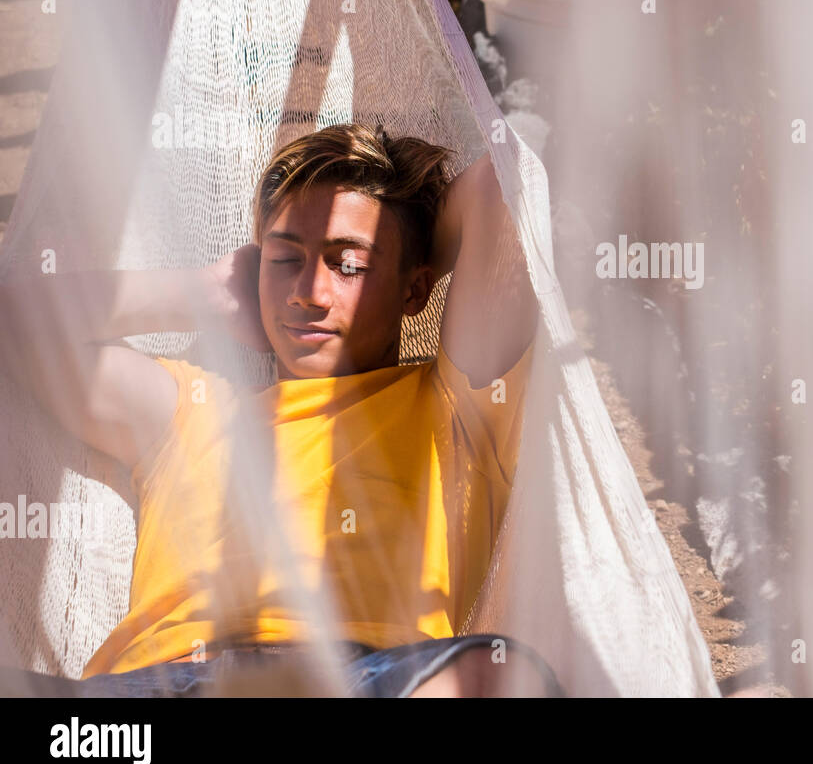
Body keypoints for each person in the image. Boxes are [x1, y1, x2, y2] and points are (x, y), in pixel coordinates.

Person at [0, 122, 562, 697]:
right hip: (165, 683)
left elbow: (504, 181)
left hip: (362, 677)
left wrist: (406, 246)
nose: (307, 293)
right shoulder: (190, 410)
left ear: (417, 291)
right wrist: (205, 294)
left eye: (346, 264)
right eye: (285, 260)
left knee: (493, 677)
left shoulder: (454, 407)